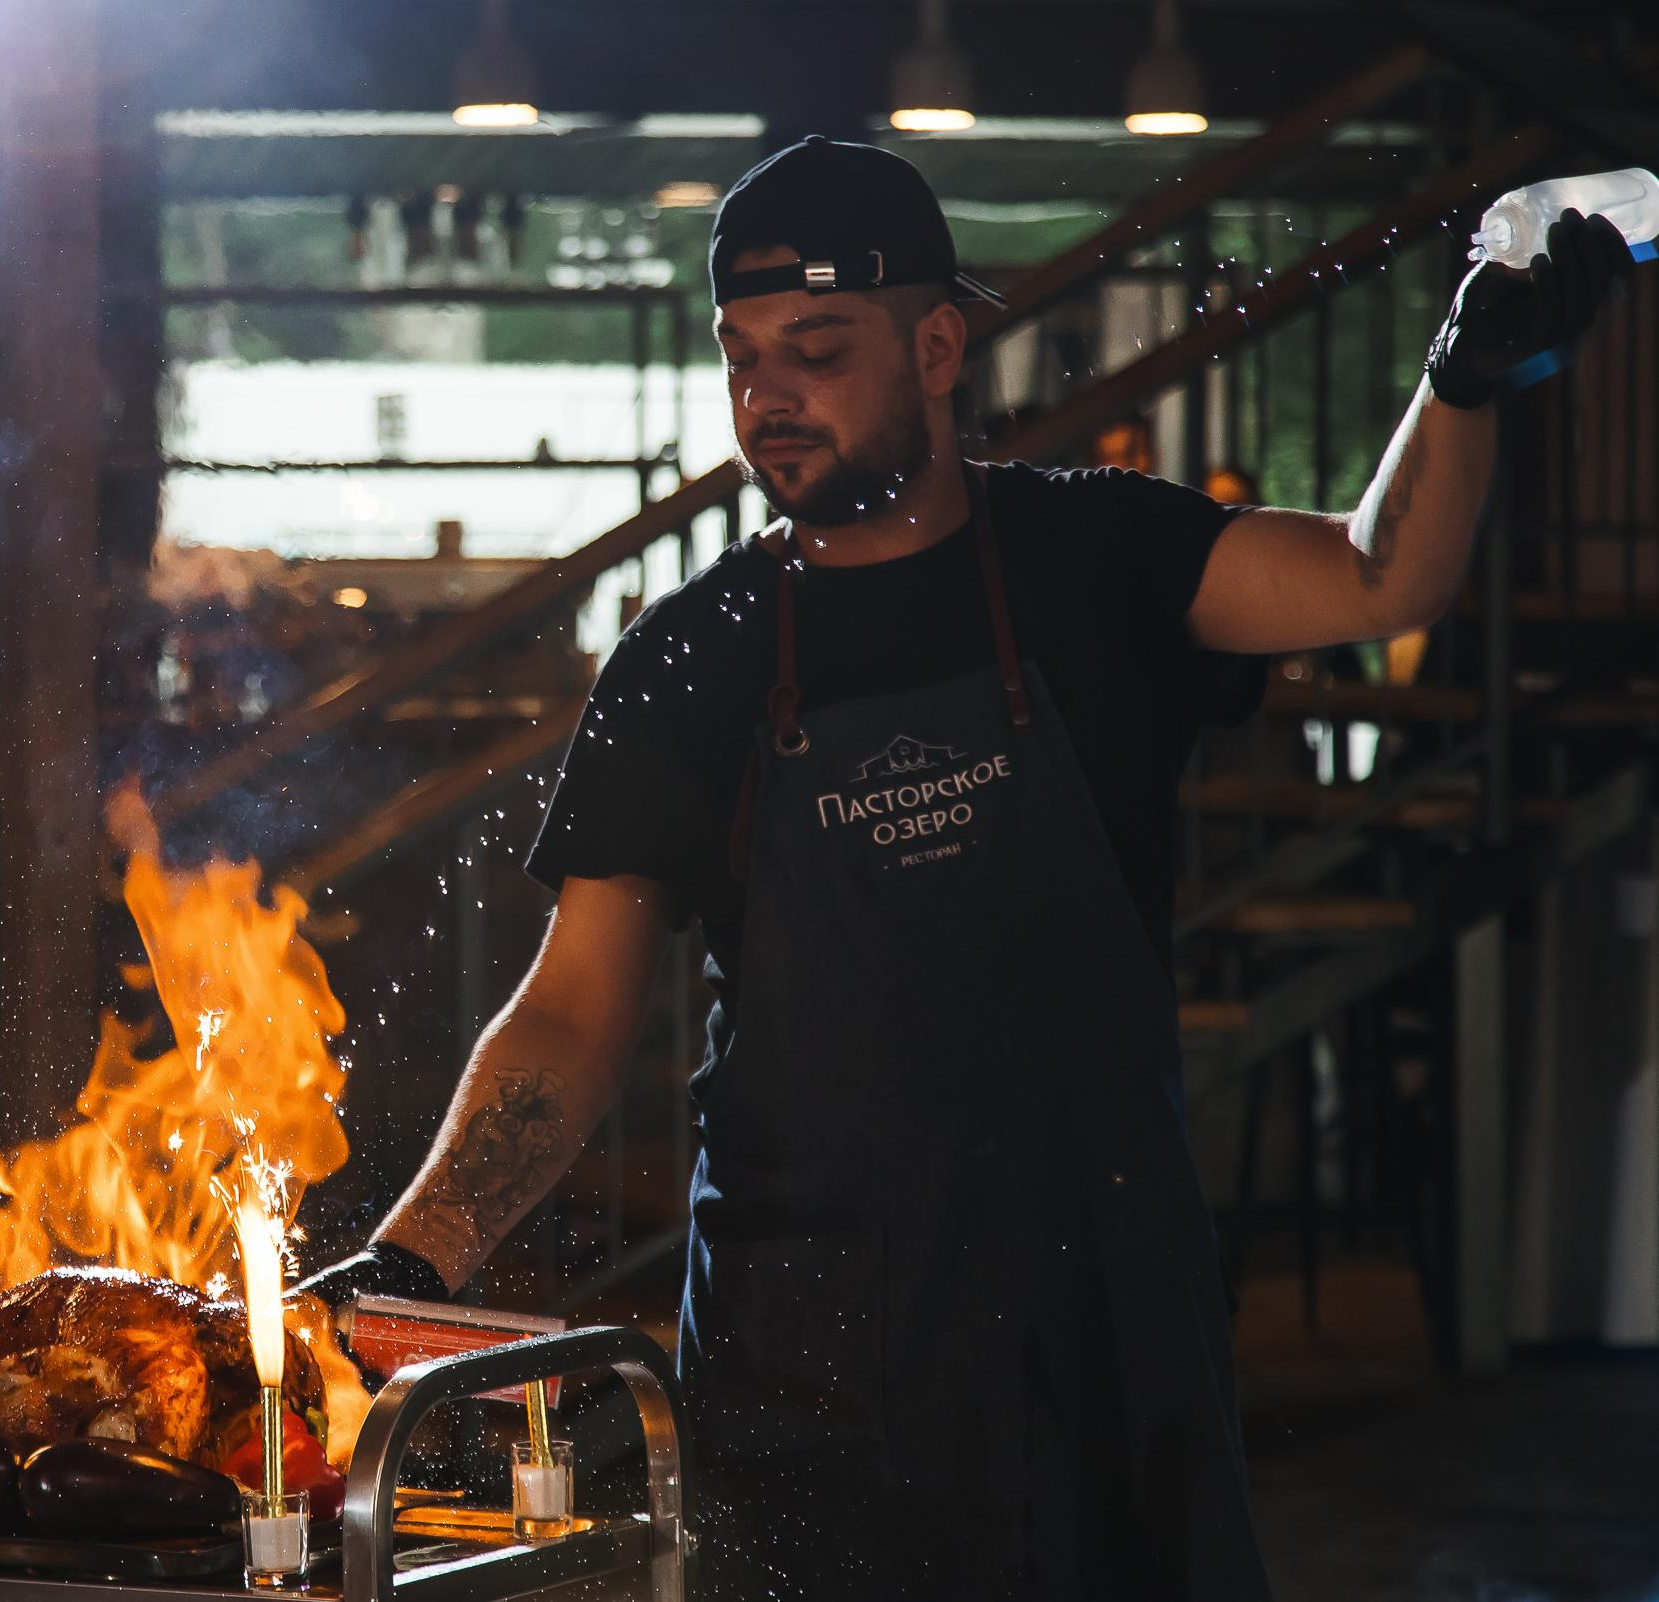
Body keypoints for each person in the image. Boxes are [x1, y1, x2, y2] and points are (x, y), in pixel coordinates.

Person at [300, 138, 1634, 1600]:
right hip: (813, 1354)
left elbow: (1385, 575)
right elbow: (567, 1016)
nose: (768, 398)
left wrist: (1463, 381)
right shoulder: (692, 659)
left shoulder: (1098, 555)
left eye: (816, 350)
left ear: (938, 346)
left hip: (1104, 1315)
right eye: (743, 356)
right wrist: (413, 1263)